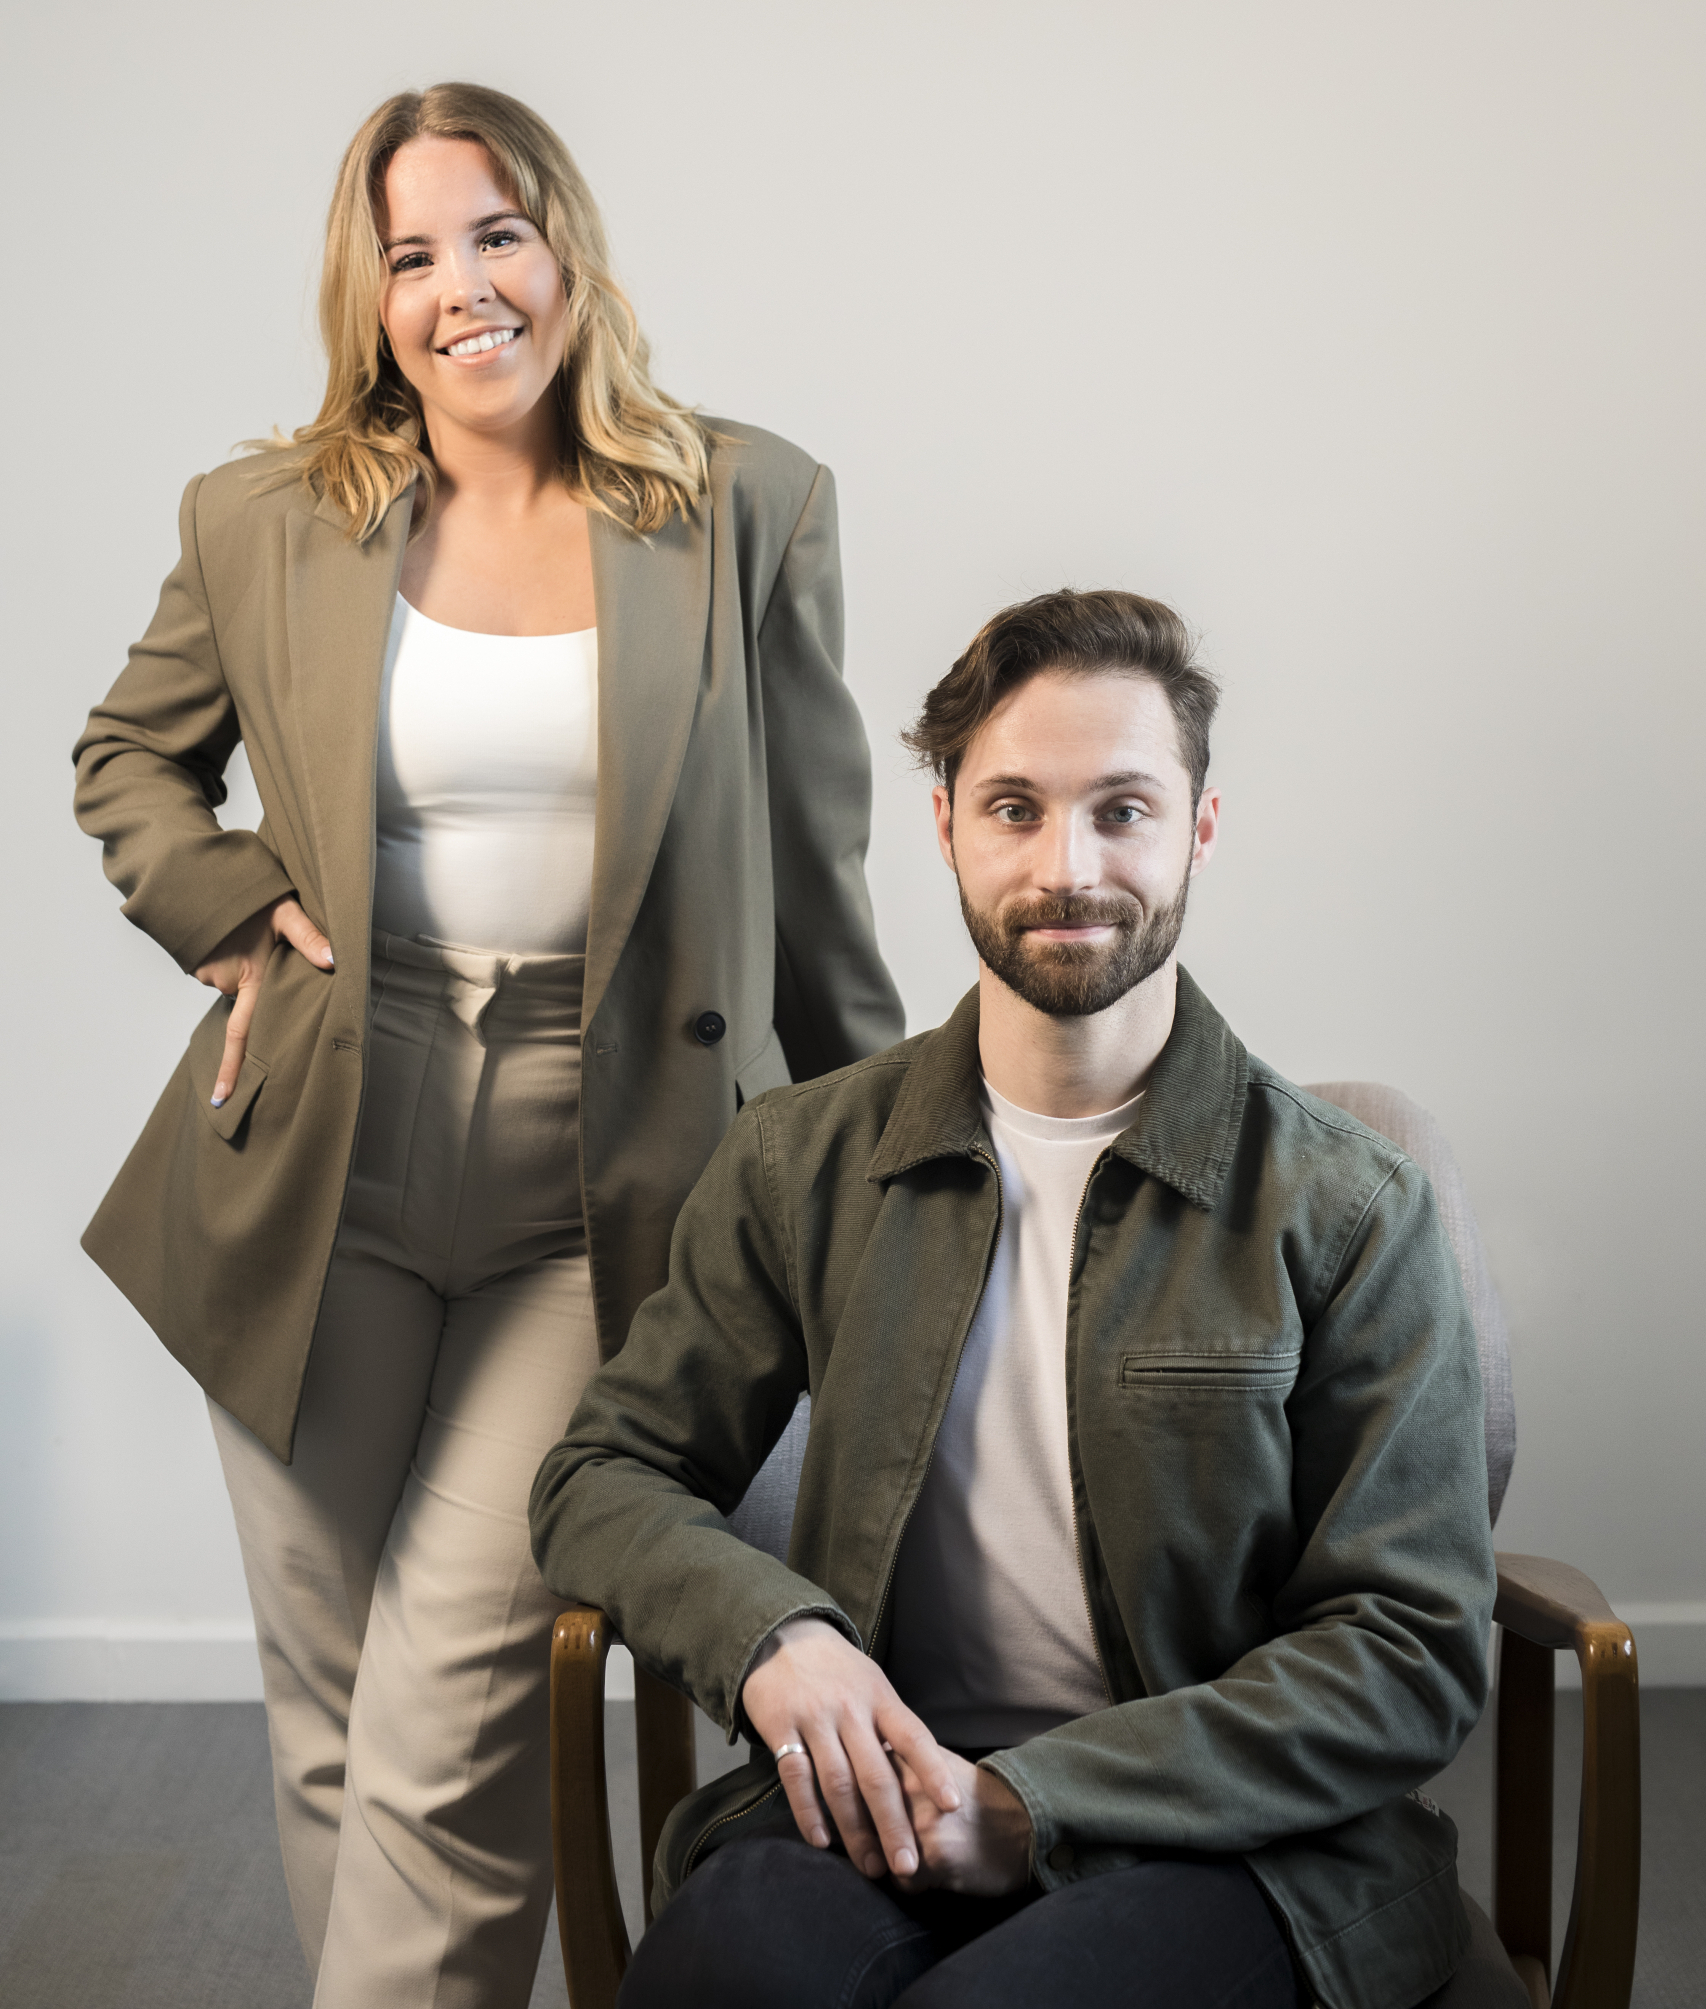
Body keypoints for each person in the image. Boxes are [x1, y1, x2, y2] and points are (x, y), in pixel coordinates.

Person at [72, 81, 901, 2009]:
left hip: (601, 1193)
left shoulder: (742, 500)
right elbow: (130, 758)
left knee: (455, 1711)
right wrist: (221, 899)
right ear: (368, 298)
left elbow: (817, 877)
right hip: (309, 1166)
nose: (460, 287)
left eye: (496, 233)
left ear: (568, 250)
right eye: (412, 253)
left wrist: (888, 1188)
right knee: (330, 1712)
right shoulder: (266, 517)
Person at [529, 588, 1498, 2009]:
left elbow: (1407, 1650)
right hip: (878, 1799)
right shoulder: (801, 1157)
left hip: (1235, 1839)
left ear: (1196, 828)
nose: (1068, 864)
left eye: (1121, 808)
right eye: (1013, 808)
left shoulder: (1351, 1205)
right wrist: (774, 1638)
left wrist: (1033, 1802)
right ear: (943, 827)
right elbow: (604, 1473)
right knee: (717, 1977)